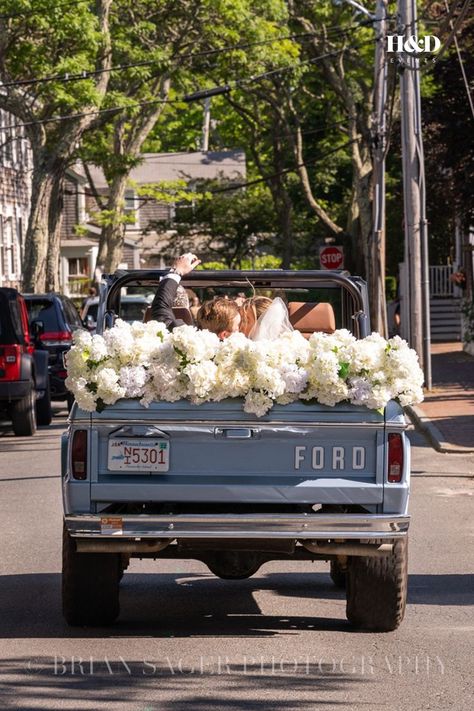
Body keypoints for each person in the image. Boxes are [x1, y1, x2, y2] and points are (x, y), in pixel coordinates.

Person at [151, 253, 241, 339]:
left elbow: (160, 308)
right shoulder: (243, 352)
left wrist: (177, 271)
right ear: (224, 334)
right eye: (237, 326)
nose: (239, 331)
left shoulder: (182, 339)